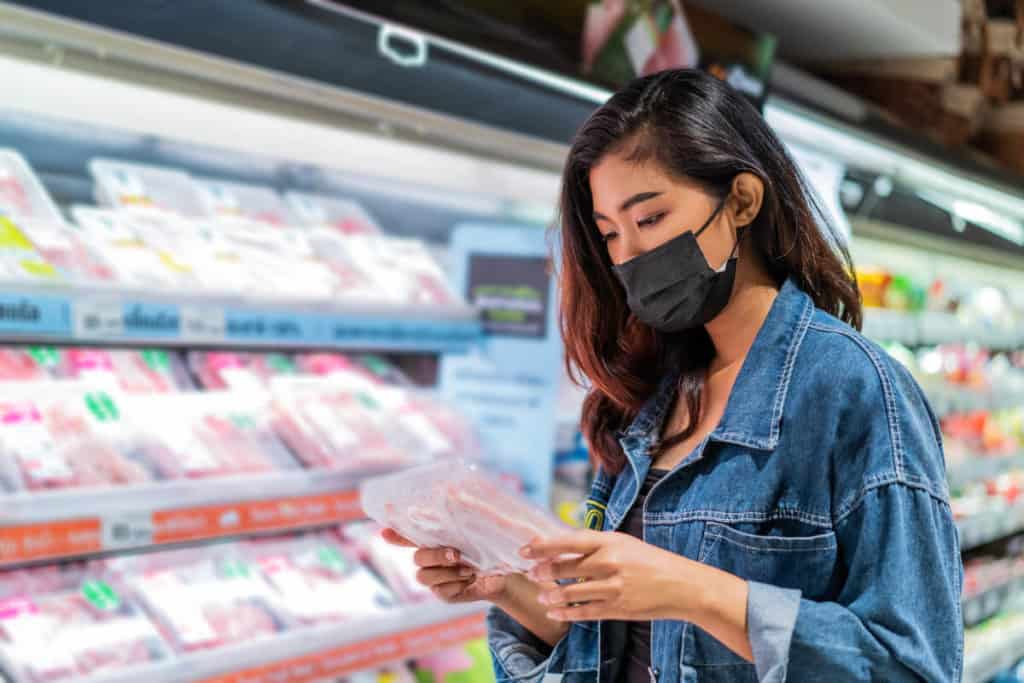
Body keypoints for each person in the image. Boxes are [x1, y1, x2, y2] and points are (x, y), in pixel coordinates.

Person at [384, 69, 962, 682]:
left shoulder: (855, 389)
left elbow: (915, 665)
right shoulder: (647, 398)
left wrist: (694, 591)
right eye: (610, 234)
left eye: (651, 218)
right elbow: (625, 648)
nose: (629, 256)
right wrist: (507, 587)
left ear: (742, 200)